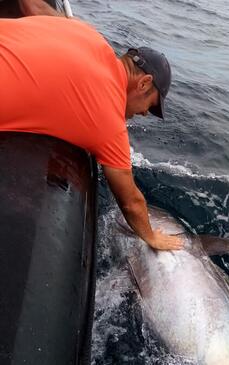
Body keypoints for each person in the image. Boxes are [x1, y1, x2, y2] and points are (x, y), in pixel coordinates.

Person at [0, 0, 183, 250]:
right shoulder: (108, 122)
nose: (144, 114)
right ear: (144, 82)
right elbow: (130, 201)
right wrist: (152, 237)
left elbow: (35, 7)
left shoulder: (88, 34)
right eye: (151, 106)